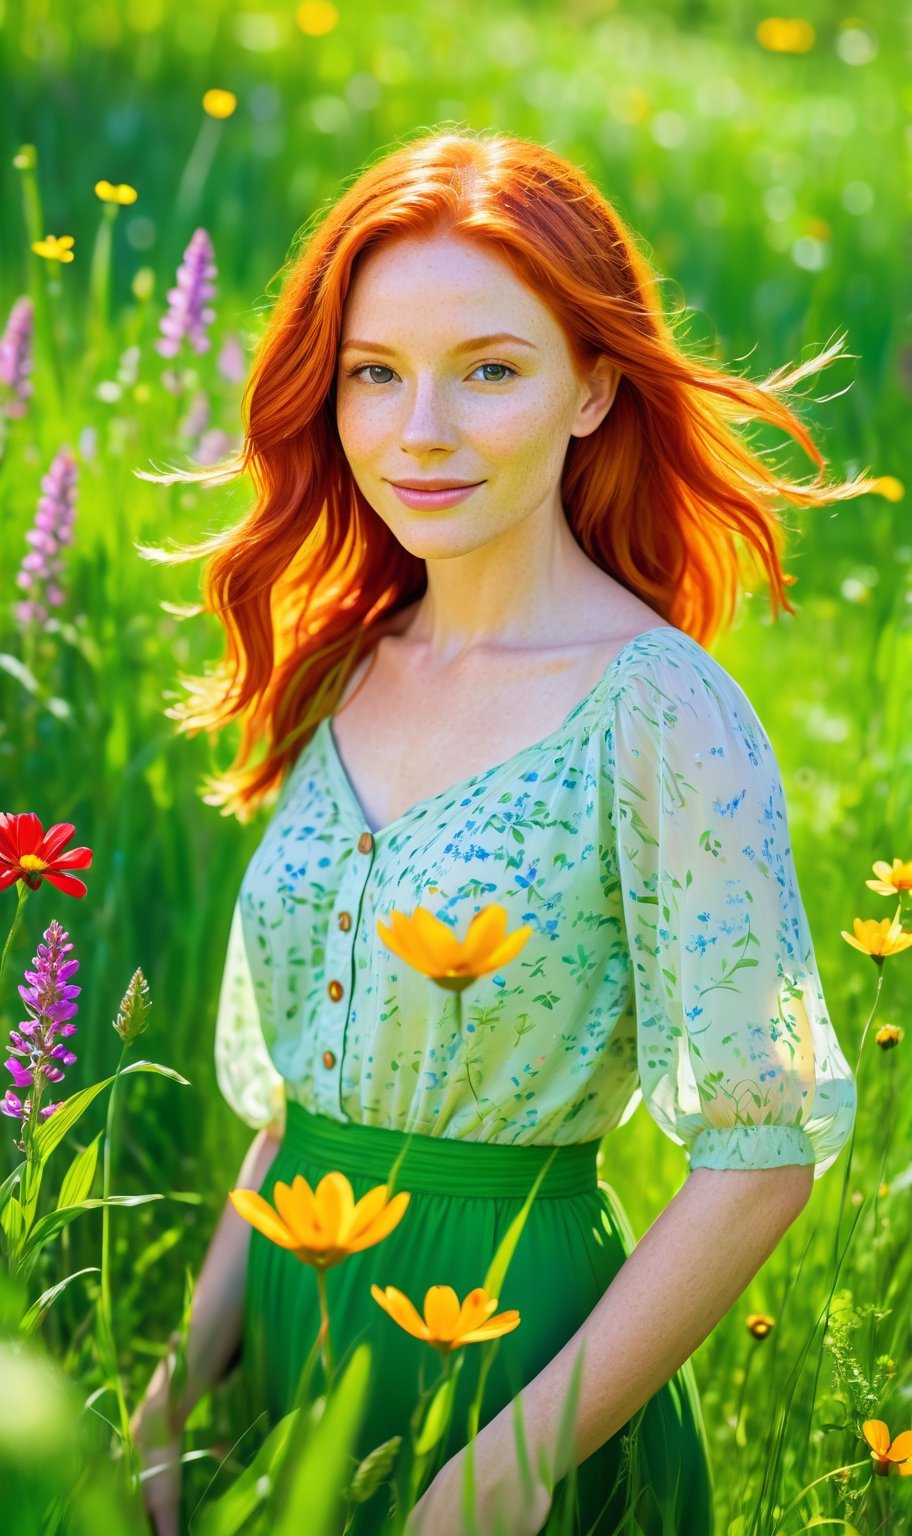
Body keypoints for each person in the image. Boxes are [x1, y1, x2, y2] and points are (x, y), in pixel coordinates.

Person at [130, 127, 869, 1536]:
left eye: (490, 371)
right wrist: (173, 1400)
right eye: (375, 375)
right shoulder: (351, 662)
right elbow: (306, 1104)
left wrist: (507, 1473)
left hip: (524, 1386)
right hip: (297, 1370)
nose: (421, 431)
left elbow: (765, 1153)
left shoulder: (660, 712)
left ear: (593, 389)